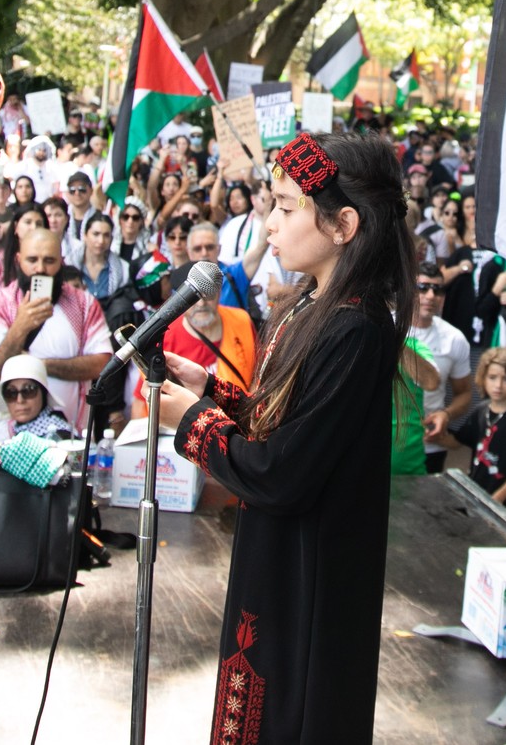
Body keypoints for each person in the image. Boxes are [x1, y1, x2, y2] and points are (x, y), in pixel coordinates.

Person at [155, 131, 410, 744]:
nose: (269, 223)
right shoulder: (308, 304)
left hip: (310, 573)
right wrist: (212, 391)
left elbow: (281, 471)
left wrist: (192, 421)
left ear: (343, 225)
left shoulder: (356, 327)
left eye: (286, 207)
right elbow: (287, 425)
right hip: (277, 552)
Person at [0, 232, 110, 434]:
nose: (40, 269)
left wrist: (39, 365)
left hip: (67, 436)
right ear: (18, 260)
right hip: (4, 438)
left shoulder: (84, 304)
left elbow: (102, 364)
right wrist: (20, 328)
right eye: (32, 260)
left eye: (49, 261)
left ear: (61, 262)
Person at [439, 346, 506, 511]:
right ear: (483, 378)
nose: (498, 385)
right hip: (475, 495)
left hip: (503, 504)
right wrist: (432, 434)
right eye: (492, 377)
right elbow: (458, 441)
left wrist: (499, 496)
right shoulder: (480, 410)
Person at [406, 273, 472, 472]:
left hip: (430, 443)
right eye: (423, 287)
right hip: (389, 440)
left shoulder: (454, 338)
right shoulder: (386, 325)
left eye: (438, 290)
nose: (431, 295)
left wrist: (445, 414)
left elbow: (464, 393)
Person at [161, 288, 258, 390]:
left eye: (208, 293)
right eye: (191, 296)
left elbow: (258, 373)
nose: (201, 303)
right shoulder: (164, 341)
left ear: (219, 292)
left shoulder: (241, 320)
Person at [0, 353, 74, 446]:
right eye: (11, 393)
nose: (20, 400)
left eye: (28, 390)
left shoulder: (58, 436)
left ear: (43, 393)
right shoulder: (16, 429)